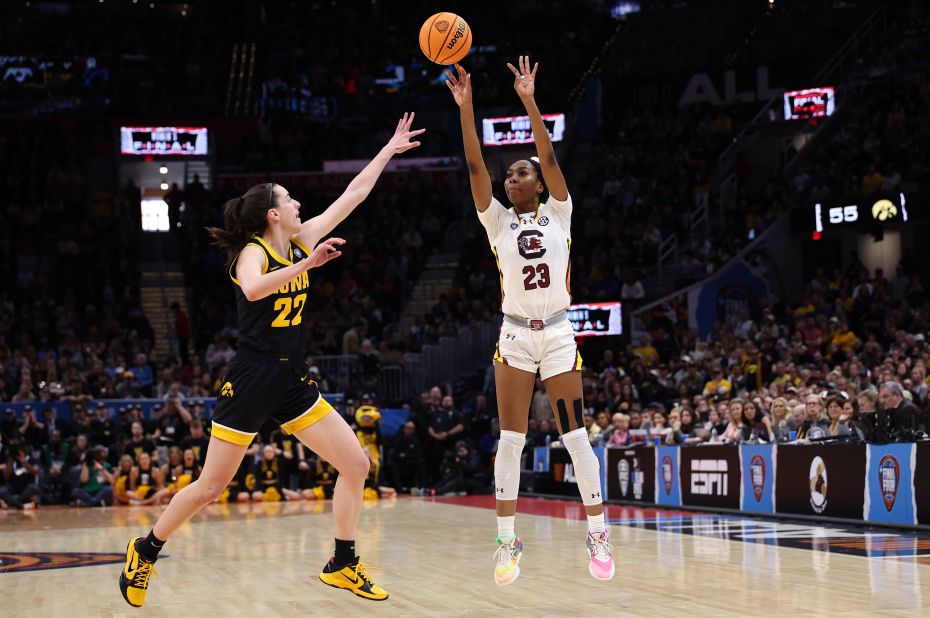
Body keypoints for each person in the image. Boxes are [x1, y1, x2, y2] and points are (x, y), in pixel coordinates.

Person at [118, 112, 424, 607]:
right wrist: (309, 264)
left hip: (290, 379)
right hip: (252, 377)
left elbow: (353, 196)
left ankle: (342, 562)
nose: (300, 203)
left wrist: (389, 149)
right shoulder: (252, 253)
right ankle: (146, 549)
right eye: (290, 199)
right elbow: (257, 289)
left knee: (355, 463)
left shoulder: (298, 239)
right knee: (210, 487)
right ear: (273, 215)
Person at [446, 56, 614, 585]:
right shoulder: (496, 221)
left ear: (539, 185)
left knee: (577, 437)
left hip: (560, 334)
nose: (510, 176)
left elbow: (547, 153)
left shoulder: (560, 210)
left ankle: (599, 533)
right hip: (515, 336)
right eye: (510, 173)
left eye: (521, 172)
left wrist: (528, 100)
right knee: (511, 440)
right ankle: (505, 541)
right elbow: (475, 167)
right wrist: (466, 107)